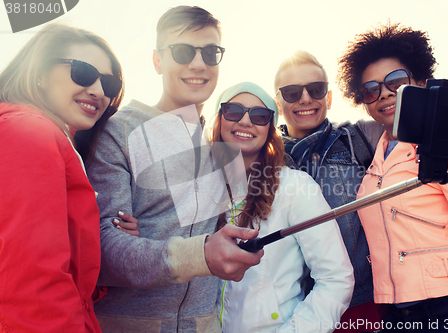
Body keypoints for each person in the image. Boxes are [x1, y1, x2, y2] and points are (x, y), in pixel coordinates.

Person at [86, 6, 263, 332]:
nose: (198, 63)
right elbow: (101, 251)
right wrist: (201, 254)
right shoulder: (120, 132)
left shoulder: (219, 145)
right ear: (157, 61)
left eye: (211, 52)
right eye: (182, 51)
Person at [337, 22, 448, 332]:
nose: (384, 93)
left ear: (422, 81)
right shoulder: (376, 158)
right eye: (371, 89)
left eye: (396, 81)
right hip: (396, 315)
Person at [0, 23, 124, 332]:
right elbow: (33, 289)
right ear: (39, 71)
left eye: (108, 83)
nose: (98, 90)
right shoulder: (31, 135)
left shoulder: (53, 140)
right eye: (82, 72)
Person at [211, 82, 354, 332]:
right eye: (234, 111)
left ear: (270, 129)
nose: (245, 121)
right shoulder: (196, 188)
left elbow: (336, 278)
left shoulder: (294, 186)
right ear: (219, 119)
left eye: (259, 115)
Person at [274, 50, 386, 332]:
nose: (305, 98)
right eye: (291, 92)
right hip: (289, 310)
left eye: (316, 89)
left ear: (329, 97)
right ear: (277, 102)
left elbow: (413, 124)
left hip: (359, 308)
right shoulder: (262, 158)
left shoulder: (359, 139)